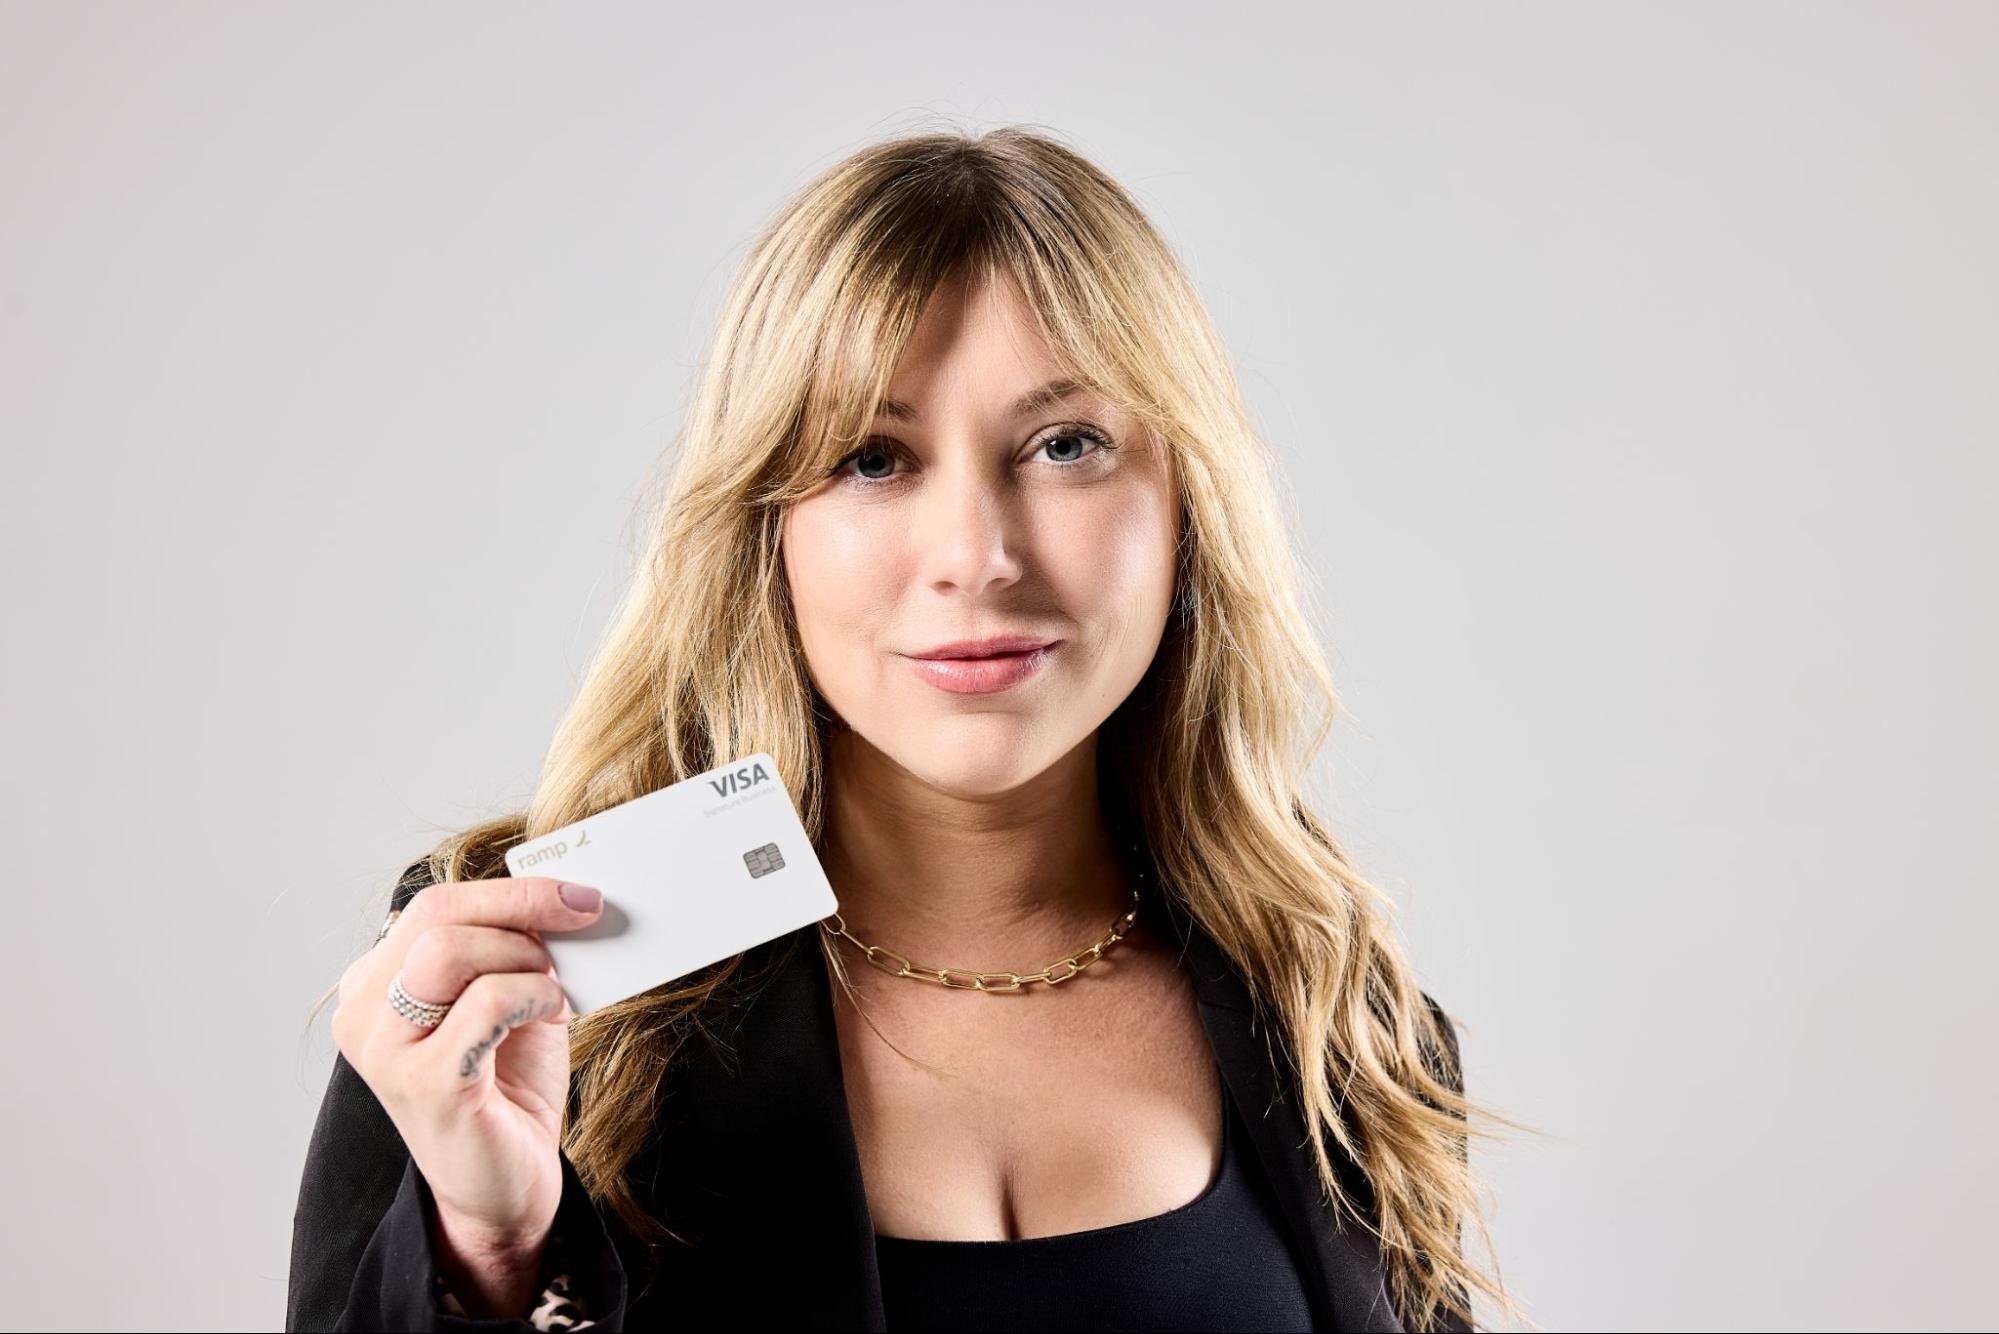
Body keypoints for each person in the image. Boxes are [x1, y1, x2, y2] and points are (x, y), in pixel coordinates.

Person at [289, 125, 1530, 1333]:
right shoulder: (504, 985)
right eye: (873, 459)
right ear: (762, 526)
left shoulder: (1330, 1005)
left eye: (1066, 445)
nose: (975, 556)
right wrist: (494, 1258)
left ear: (1187, 505)